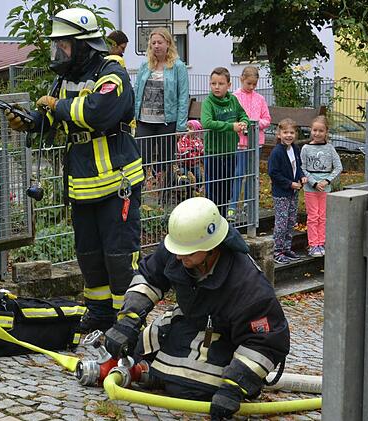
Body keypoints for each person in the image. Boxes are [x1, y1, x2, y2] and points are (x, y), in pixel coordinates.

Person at [4, 7, 142, 334]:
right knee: (90, 255)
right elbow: (51, 117)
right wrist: (29, 121)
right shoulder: (65, 78)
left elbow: (97, 113)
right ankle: (98, 312)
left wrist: (58, 107)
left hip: (115, 184)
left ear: (82, 44)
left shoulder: (112, 73)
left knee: (119, 257)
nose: (59, 51)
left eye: (64, 44)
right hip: (82, 187)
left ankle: (128, 321)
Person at [103, 197, 290, 421]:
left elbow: (266, 341)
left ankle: (154, 374)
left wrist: (233, 387)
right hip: (190, 320)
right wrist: (128, 320)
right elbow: (148, 279)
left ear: (212, 248)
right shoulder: (180, 247)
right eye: (178, 251)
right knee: (130, 346)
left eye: (189, 253)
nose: (180, 257)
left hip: (226, 338)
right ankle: (147, 370)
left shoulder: (248, 285)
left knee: (191, 389)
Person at [133, 27, 189, 192]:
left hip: (167, 121)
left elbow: (183, 96)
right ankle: (139, 192)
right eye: (153, 43)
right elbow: (137, 92)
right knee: (141, 158)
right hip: (144, 120)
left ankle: (166, 193)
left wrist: (181, 125)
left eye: (160, 42)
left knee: (166, 159)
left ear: (168, 44)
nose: (156, 46)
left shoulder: (178, 67)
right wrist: (133, 116)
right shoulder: (145, 65)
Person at [201, 67, 249, 218]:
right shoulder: (208, 102)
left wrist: (244, 122)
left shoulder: (233, 100)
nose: (216, 87)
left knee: (227, 187)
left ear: (229, 85)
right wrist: (231, 126)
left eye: (220, 83)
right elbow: (207, 122)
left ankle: (222, 219)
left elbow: (243, 114)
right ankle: (212, 218)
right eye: (213, 83)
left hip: (230, 152)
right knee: (213, 189)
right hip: (214, 153)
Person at [229, 66, 271, 221]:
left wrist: (255, 124)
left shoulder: (260, 99)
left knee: (252, 174)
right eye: (249, 84)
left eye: (254, 84)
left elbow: (267, 119)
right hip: (240, 143)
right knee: (238, 173)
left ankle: (248, 204)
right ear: (241, 79)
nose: (251, 87)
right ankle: (232, 206)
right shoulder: (234, 97)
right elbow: (231, 117)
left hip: (256, 143)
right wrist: (240, 125)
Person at [300, 115, 343, 257]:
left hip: (325, 188)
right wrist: (314, 182)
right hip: (311, 189)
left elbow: (338, 167)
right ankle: (313, 244)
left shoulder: (330, 149)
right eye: (314, 130)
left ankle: (321, 242)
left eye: (320, 131)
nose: (317, 133)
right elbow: (303, 168)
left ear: (326, 132)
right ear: (311, 131)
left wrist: (326, 181)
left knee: (323, 216)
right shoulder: (306, 148)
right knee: (313, 216)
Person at [267, 119, 307, 264]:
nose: (289, 135)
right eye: (285, 132)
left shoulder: (295, 148)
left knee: (291, 221)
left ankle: (287, 247)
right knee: (281, 222)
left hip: (294, 192)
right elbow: (273, 173)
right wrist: (290, 184)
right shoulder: (277, 152)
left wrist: (301, 176)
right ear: (279, 134)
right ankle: (277, 251)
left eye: (291, 132)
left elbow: (298, 166)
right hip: (282, 193)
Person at [176, 119, 204, 186]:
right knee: (183, 175)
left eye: (190, 128)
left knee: (199, 177)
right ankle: (184, 188)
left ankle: (197, 188)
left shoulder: (198, 140)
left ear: (196, 131)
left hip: (194, 163)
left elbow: (201, 149)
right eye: (187, 127)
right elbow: (179, 148)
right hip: (183, 162)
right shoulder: (183, 139)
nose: (187, 129)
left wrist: (202, 151)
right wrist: (187, 149)